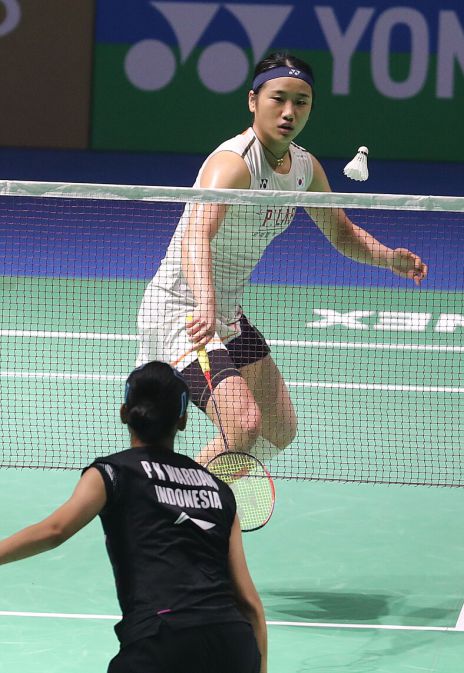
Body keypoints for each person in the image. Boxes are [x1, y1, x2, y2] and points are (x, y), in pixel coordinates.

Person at [136, 51, 428, 466]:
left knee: (279, 428)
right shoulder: (234, 164)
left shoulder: (304, 168)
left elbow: (342, 233)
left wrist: (389, 259)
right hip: (182, 312)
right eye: (278, 98)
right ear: (253, 100)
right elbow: (196, 235)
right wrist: (205, 301)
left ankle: (189, 492)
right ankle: (180, 498)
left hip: (225, 313)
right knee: (243, 425)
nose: (289, 111)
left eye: (301, 102)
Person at [0, 361, 267, 673]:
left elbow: (55, 530)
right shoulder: (219, 490)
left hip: (162, 640)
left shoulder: (113, 473)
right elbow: (249, 604)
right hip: (233, 643)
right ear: (182, 420)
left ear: (124, 412)